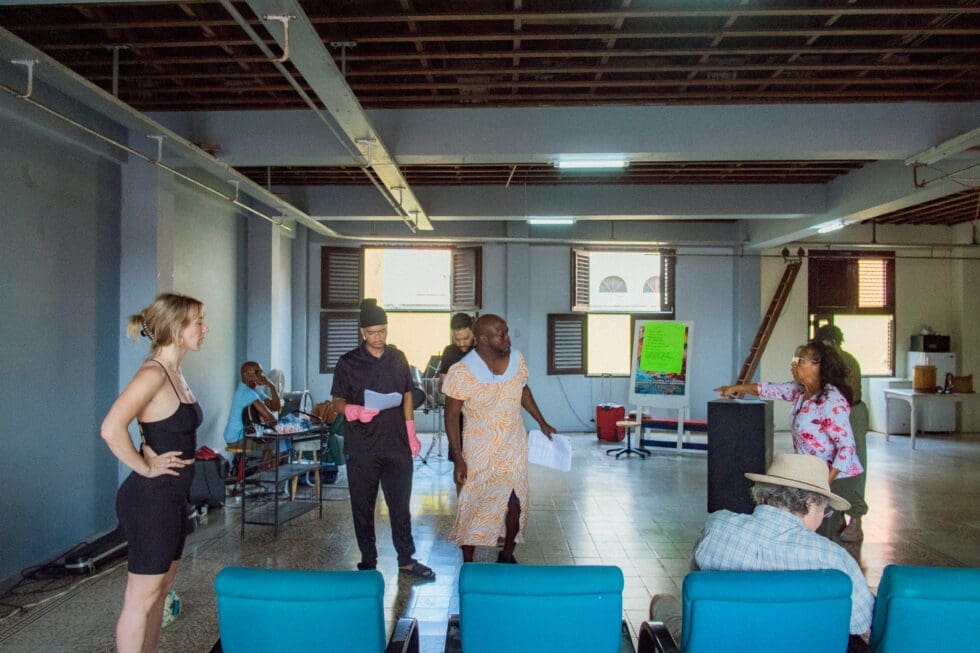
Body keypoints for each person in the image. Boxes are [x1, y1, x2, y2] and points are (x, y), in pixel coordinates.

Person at [649, 453, 875, 642]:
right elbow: (862, 625)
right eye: (825, 510)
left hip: (719, 643)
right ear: (810, 503)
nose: (823, 517)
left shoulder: (717, 528)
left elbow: (698, 578)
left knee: (663, 602)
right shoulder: (832, 558)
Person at [100, 293, 207, 653]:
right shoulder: (153, 374)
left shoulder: (175, 372)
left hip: (175, 496)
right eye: (198, 322)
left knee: (161, 593)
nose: (204, 329)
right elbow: (111, 428)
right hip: (151, 499)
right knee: (141, 598)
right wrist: (144, 464)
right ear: (176, 328)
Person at [330, 298, 434, 580]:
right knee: (362, 506)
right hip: (362, 446)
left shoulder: (397, 357)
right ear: (362, 332)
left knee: (400, 505)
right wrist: (353, 410)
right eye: (372, 332)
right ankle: (368, 561)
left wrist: (411, 430)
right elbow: (336, 401)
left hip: (395, 443)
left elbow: (407, 394)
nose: (378, 337)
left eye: (382, 331)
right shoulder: (348, 362)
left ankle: (406, 559)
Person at [442, 314, 556, 563]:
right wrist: (458, 458)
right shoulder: (461, 371)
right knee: (473, 506)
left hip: (513, 446)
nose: (507, 338)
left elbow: (523, 390)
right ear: (483, 339)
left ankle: (506, 555)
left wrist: (542, 422)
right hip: (479, 452)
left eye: (506, 332)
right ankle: (469, 563)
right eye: (500, 334)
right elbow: (450, 416)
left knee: (515, 504)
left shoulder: (517, 360)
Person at [715, 339, 863, 484]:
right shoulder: (801, 390)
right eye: (795, 360)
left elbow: (847, 447)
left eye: (801, 360)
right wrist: (735, 388)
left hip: (837, 478)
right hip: (813, 474)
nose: (794, 364)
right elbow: (769, 389)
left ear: (819, 366)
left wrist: (825, 485)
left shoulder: (831, 400)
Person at [814, 324, 869, 542]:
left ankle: (856, 520)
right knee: (832, 466)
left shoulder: (846, 361)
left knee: (853, 467)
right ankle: (838, 517)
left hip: (851, 415)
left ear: (833, 342)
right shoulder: (827, 360)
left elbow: (846, 394)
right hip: (837, 415)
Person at [438, 312, 475, 466]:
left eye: (465, 338)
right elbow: (442, 383)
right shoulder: (449, 352)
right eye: (457, 339)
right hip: (457, 414)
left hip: (479, 417)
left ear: (473, 331)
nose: (461, 343)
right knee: (459, 462)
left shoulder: (482, 351)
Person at [222, 361, 282, 445]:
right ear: (246, 375)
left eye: (261, 372)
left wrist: (272, 386)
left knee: (278, 440)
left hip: (247, 434)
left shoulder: (255, 389)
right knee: (275, 443)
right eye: (257, 372)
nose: (262, 376)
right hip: (236, 438)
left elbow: (276, 407)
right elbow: (270, 418)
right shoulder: (246, 392)